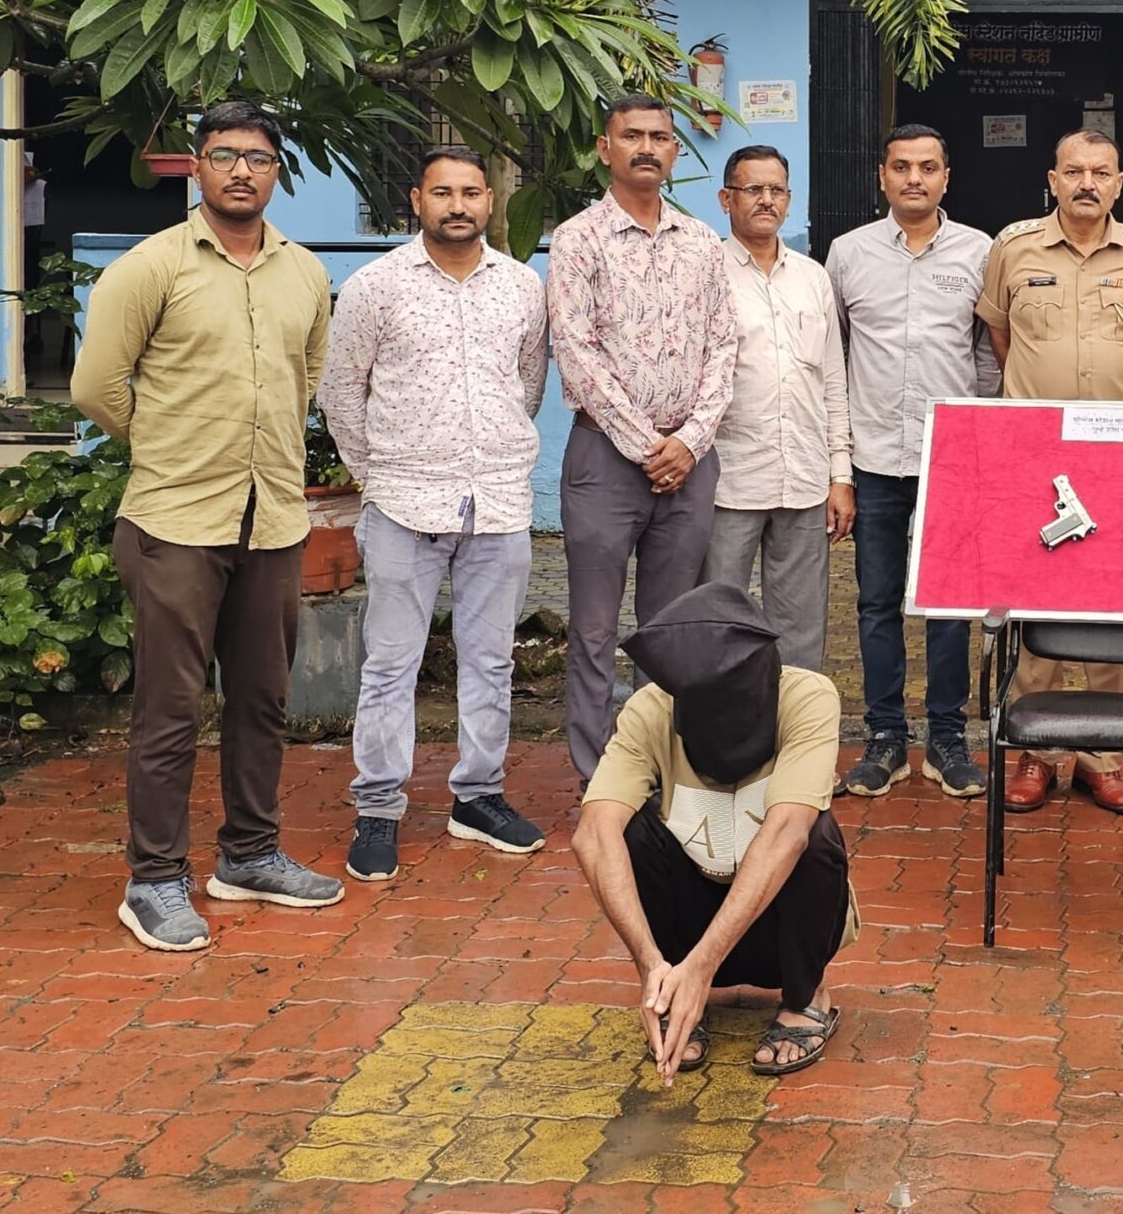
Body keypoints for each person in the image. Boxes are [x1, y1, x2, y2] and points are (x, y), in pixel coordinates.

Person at [72, 100, 344, 951]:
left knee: (263, 698)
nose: (240, 170)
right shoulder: (149, 267)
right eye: (223, 154)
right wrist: (166, 444)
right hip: (177, 520)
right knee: (170, 707)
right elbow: (95, 387)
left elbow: (305, 376)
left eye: (257, 157)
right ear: (195, 166)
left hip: (272, 521)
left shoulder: (303, 272)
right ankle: (154, 877)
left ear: (276, 172)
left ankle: (250, 855)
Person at [319, 148, 551, 883]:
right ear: (416, 200)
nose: (458, 205)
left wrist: (491, 456)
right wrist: (376, 475)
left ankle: (478, 797)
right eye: (443, 192)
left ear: (491, 200)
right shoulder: (375, 286)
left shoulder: (522, 287)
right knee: (392, 663)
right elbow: (340, 392)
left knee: (492, 660)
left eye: (471, 192)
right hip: (402, 505)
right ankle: (378, 807)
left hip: (498, 504)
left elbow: (528, 384)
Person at [975, 129, 1123, 817]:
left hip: (1121, 459)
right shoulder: (1014, 247)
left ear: (1119, 183)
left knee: (1114, 604)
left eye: (1100, 172)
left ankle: (1103, 755)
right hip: (1037, 455)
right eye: (1073, 171)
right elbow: (1002, 337)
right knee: (1036, 598)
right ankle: (1036, 751)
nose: (1086, 183)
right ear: (1053, 180)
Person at [572, 583, 855, 1082]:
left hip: (780, 933)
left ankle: (807, 998)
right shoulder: (650, 710)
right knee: (627, 831)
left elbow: (787, 832)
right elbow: (592, 834)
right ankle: (671, 990)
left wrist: (703, 966)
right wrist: (649, 965)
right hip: (687, 929)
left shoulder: (809, 696)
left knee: (812, 834)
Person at [548, 95, 738, 783]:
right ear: (606, 149)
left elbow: (724, 345)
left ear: (676, 152)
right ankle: (600, 777)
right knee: (595, 629)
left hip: (689, 463)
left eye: (660, 136)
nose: (647, 147)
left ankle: (660, 765)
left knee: (669, 630)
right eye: (632, 135)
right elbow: (576, 350)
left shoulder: (701, 242)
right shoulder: (578, 240)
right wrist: (646, 445)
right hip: (605, 459)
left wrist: (690, 440)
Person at [825, 125, 997, 800]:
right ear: (882, 176)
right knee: (876, 601)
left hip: (952, 456)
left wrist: (979, 438)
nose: (915, 179)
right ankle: (886, 737)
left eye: (928, 167)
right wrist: (839, 466)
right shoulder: (849, 253)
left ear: (947, 177)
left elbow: (987, 354)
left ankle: (948, 738)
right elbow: (835, 358)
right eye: (901, 167)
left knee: (949, 604)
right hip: (873, 456)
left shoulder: (980, 251)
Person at [701, 145, 856, 673]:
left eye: (776, 190)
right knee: (718, 619)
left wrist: (840, 476)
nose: (766, 200)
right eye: (753, 189)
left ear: (789, 200)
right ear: (726, 199)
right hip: (729, 481)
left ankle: (794, 721)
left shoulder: (813, 277)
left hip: (805, 479)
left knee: (800, 628)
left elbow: (832, 380)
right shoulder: (706, 274)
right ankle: (722, 720)